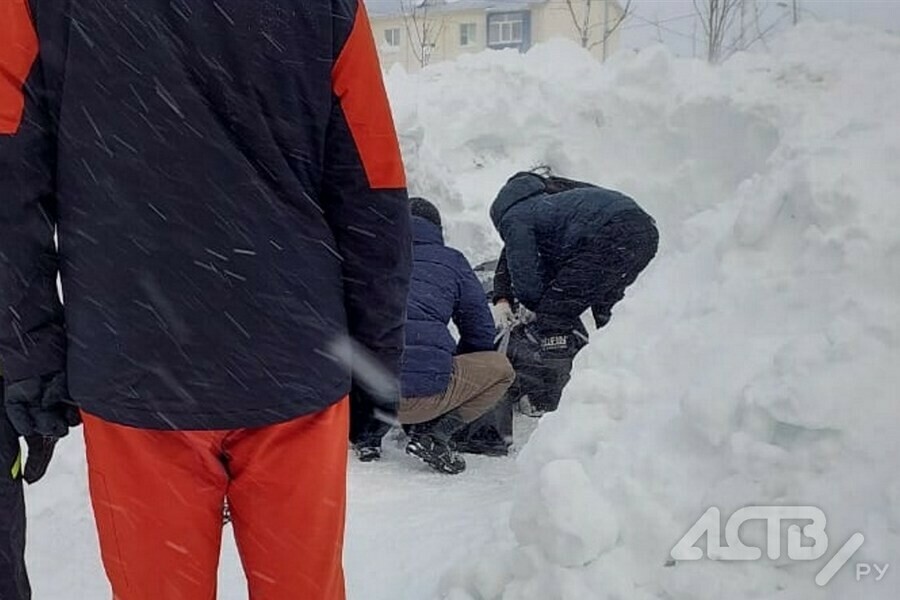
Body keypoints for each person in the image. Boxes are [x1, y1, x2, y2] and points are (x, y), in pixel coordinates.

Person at [0, 2, 411, 599]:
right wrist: (376, 360)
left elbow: (9, 186)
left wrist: (30, 354)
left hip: (135, 369)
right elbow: (373, 186)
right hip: (291, 363)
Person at [353, 198, 514, 474]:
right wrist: (443, 366)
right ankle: (436, 434)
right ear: (437, 229)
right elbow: (481, 333)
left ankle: (366, 437)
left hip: (361, 398)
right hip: (425, 400)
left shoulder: (367, 254)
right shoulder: (451, 260)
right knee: (502, 370)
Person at [490, 170, 659, 415]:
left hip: (610, 236)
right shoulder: (556, 197)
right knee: (609, 310)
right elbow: (512, 255)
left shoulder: (515, 217)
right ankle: (621, 376)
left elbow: (523, 268)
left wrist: (535, 306)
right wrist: (502, 294)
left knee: (555, 315)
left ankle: (551, 401)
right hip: (642, 232)